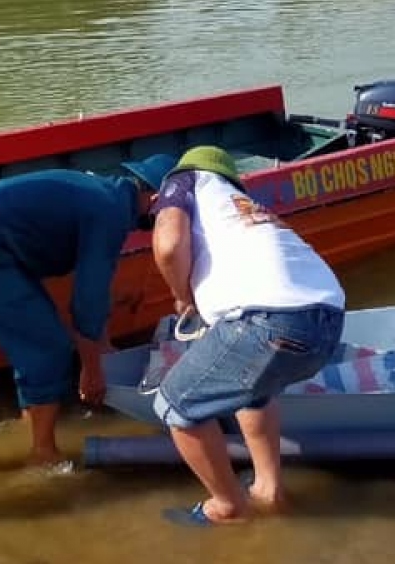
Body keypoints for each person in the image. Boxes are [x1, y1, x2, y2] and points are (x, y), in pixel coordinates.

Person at [0, 155, 177, 467]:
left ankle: (31, 419)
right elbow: (87, 299)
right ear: (156, 200)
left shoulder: (109, 197)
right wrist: (91, 369)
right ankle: (43, 453)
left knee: (37, 338)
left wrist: (101, 346)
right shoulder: (110, 214)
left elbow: (95, 287)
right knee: (48, 347)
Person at [146, 146, 346, 526]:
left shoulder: (182, 181)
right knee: (254, 393)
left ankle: (227, 506)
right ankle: (270, 490)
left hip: (268, 320)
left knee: (175, 405)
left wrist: (181, 296)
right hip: (328, 321)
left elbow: (170, 245)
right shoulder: (242, 206)